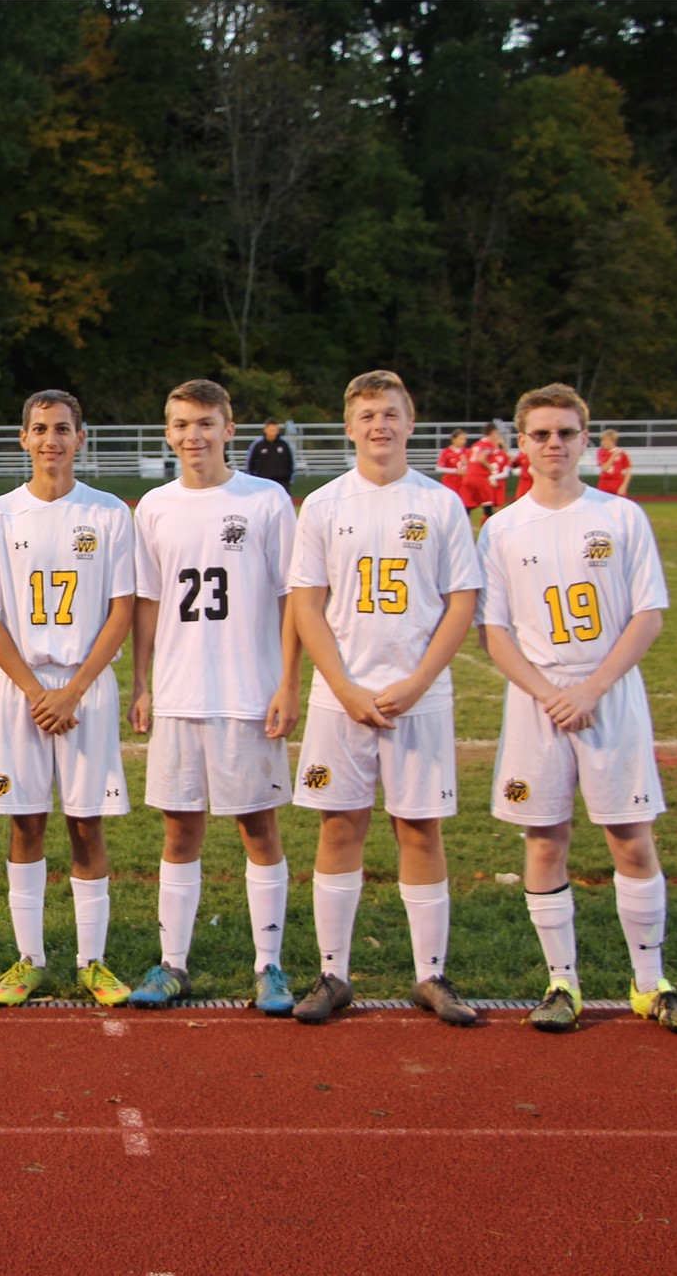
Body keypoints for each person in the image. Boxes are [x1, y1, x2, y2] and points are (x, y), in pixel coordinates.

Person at [478, 384, 677, 1035]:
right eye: (542, 433)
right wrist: (549, 690)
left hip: (609, 698)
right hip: (536, 703)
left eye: (567, 433)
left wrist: (593, 688)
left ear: (586, 439)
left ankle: (649, 983)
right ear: (521, 443)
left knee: (630, 838)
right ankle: (562, 983)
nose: (555, 444)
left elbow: (648, 615)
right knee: (545, 837)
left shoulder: (622, 517)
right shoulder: (500, 528)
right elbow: (496, 634)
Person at [287, 370, 482, 1026]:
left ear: (411, 420)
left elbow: (462, 601)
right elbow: (306, 602)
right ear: (349, 426)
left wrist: (419, 679)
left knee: (419, 828)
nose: (380, 425)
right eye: (368, 414)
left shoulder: (441, 503)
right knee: (340, 824)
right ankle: (333, 971)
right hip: (340, 698)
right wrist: (341, 684)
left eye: (391, 413)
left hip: (417, 697)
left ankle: (430, 974)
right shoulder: (323, 505)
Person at [0, 390, 136, 1007]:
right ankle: (29, 957)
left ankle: (93, 961)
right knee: (25, 820)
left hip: (87, 689)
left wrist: (74, 689)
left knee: (86, 823)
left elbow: (122, 611)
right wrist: (40, 692)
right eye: (40, 429)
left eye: (63, 429)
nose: (51, 440)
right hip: (23, 691)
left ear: (80, 439)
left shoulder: (111, 513)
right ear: (24, 439)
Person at [129, 380, 302, 1011]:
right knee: (179, 832)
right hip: (178, 693)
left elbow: (293, 599)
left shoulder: (266, 499)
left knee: (259, 828)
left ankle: (269, 965)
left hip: (248, 693)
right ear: (167, 431)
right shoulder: (153, 506)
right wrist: (142, 683)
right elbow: (147, 604)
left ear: (231, 428)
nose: (191, 435)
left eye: (204, 423)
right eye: (179, 424)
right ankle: (173, 963)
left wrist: (288, 682)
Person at [462, 423, 505, 523]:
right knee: (488, 506)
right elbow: (481, 458)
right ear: (493, 433)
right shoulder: (488, 444)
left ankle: (465, 529)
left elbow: (466, 460)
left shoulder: (476, 444)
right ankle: (490, 531)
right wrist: (491, 469)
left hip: (468, 476)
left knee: (468, 506)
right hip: (480, 476)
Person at [245, 419, 295, 497]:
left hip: (281, 482)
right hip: (262, 482)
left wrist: (288, 481)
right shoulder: (258, 445)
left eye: (275, 430)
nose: (273, 432)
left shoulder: (284, 445)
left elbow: (290, 463)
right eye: (271, 430)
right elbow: (250, 464)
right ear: (265, 430)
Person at [437, 428, 469, 508]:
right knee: (449, 505)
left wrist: (467, 464)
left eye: (465, 439)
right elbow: (439, 468)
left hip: (463, 483)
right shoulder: (446, 452)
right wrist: (456, 471)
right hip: (450, 483)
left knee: (463, 506)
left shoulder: (467, 451)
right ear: (453, 439)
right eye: (461, 439)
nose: (463, 441)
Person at [596, 429, 632, 497]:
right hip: (605, 484)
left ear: (613, 441)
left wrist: (624, 486)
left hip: (617, 483)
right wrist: (613, 456)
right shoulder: (601, 452)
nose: (604, 443)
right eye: (603, 440)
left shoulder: (622, 453)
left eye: (607, 440)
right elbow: (605, 468)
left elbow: (628, 471)